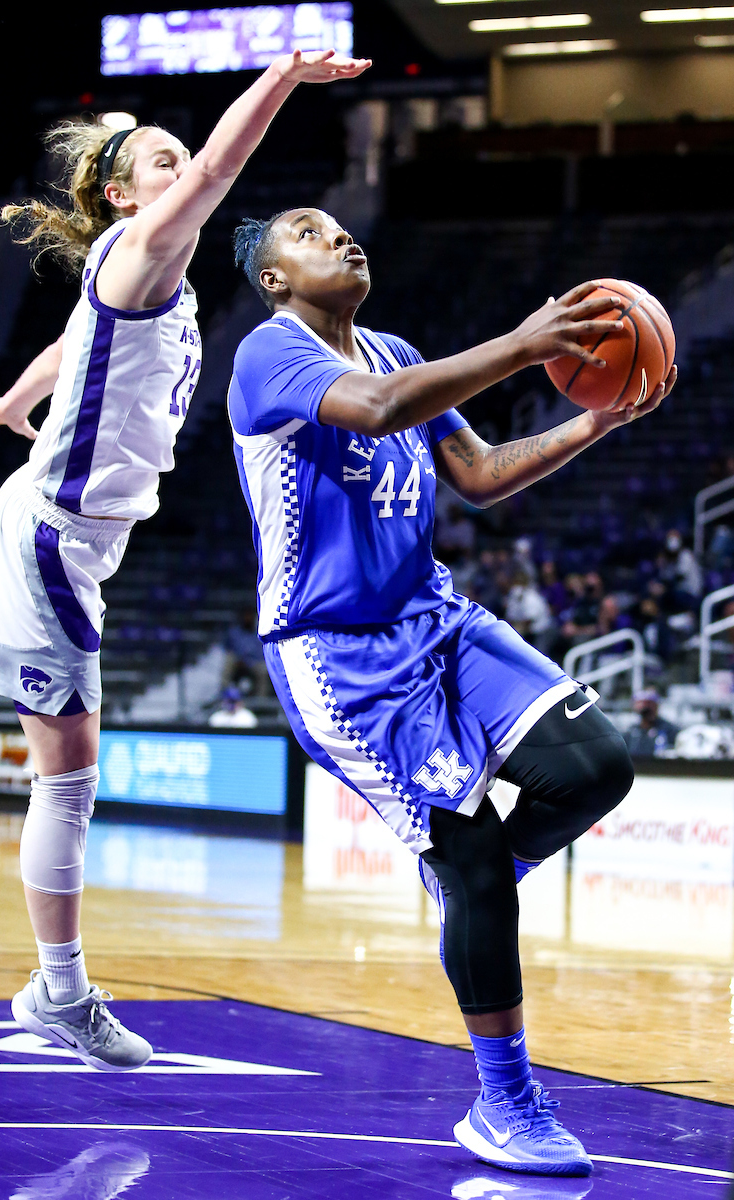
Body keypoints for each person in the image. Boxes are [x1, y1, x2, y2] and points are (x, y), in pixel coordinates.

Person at [0, 48, 370, 1072]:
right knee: (69, 778)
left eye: (182, 160)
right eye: (164, 163)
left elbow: (71, 342)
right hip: (51, 538)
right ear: (125, 195)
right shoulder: (142, 247)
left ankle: (59, 989)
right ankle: (61, 991)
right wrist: (279, 82)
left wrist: (18, 398)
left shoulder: (147, 277)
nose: (188, 172)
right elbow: (221, 170)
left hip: (54, 529)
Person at [227, 206, 677, 1176]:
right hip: (336, 653)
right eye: (309, 234)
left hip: (435, 618)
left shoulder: (395, 348)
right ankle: (502, 1101)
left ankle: (467, 883)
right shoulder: (268, 357)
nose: (341, 238)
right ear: (273, 279)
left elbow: (474, 473)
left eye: (344, 229)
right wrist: (520, 347)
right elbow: (380, 409)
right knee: (472, 861)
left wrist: (593, 418)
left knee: (593, 767)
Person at [623, 689, 679, 758]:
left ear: (656, 706)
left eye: (649, 703)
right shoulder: (631, 732)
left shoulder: (669, 730)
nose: (645, 707)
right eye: (641, 703)